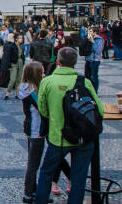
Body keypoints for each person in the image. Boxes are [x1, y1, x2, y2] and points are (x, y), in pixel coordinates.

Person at [34, 47, 104, 204]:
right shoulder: (84, 81)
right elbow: (100, 110)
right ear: (75, 62)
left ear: (57, 61)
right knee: (78, 178)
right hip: (83, 138)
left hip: (58, 137)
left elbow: (43, 110)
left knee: (46, 173)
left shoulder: (47, 81)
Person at [18, 62, 47, 203]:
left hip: (30, 127)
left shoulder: (24, 88)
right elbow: (43, 109)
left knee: (33, 161)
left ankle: (33, 190)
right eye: (42, 72)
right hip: (37, 129)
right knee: (33, 163)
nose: (44, 74)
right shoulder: (33, 91)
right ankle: (28, 193)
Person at [85, 26, 104, 94]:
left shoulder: (100, 39)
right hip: (88, 59)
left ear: (95, 32)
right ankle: (89, 91)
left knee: (94, 77)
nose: (89, 33)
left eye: (90, 31)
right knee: (87, 76)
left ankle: (95, 92)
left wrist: (93, 42)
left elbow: (98, 51)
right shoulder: (90, 39)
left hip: (95, 60)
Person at [5, 33, 25, 100]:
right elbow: (8, 56)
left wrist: (23, 60)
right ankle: (7, 93)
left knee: (19, 79)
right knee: (12, 79)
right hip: (14, 63)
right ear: (16, 39)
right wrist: (9, 65)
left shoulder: (22, 46)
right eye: (20, 38)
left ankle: (16, 94)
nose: (21, 39)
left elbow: (22, 55)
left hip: (20, 63)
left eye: (22, 38)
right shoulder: (12, 46)